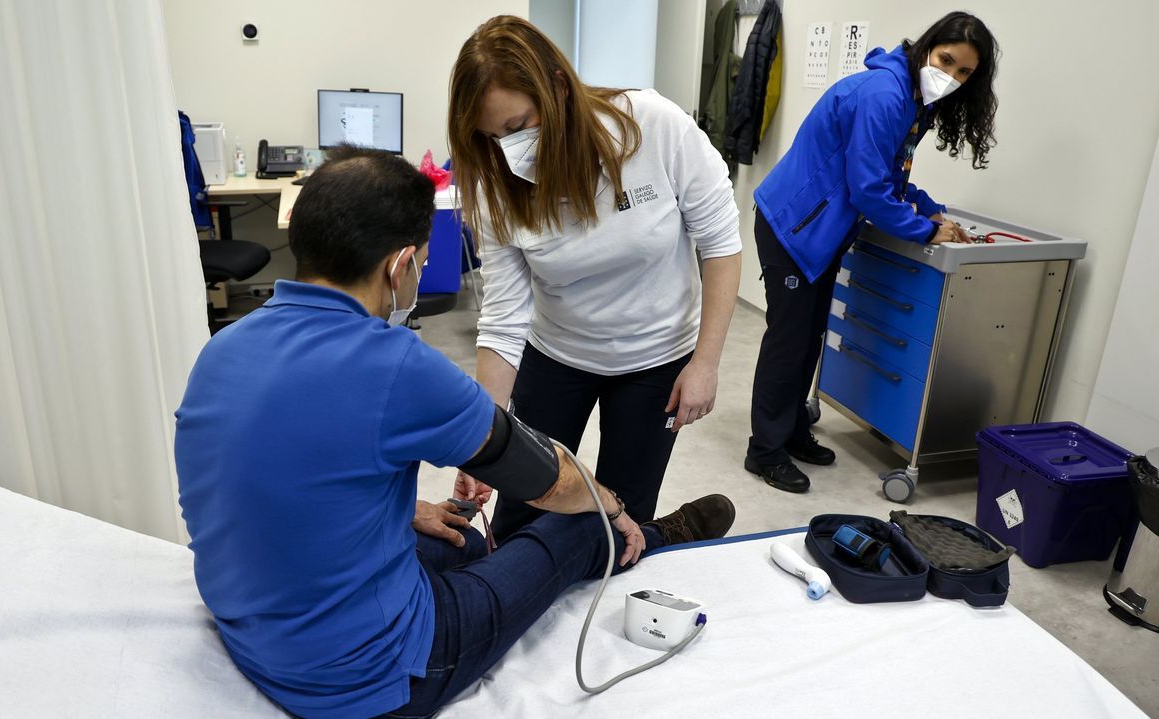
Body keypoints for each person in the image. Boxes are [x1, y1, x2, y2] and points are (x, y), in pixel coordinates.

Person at [173, 146, 736, 719]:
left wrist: (406, 511)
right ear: (401, 266)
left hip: (255, 639)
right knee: (579, 521)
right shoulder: (396, 366)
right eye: (419, 262)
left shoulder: (224, 349)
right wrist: (610, 504)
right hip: (374, 681)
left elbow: (260, 480)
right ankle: (650, 536)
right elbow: (549, 480)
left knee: (463, 539)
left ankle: (544, 546)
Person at [447, 15, 743, 541]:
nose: (506, 149)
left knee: (622, 516)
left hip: (656, 358)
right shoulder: (496, 186)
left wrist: (706, 364)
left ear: (558, 87)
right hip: (557, 353)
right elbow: (502, 321)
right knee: (521, 507)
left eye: (516, 128)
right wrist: (481, 438)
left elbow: (721, 246)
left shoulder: (651, 126)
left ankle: (657, 537)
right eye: (490, 137)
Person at [745, 12, 999, 493]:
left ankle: (793, 430)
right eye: (946, 60)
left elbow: (891, 174)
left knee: (809, 336)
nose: (952, 76)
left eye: (965, 72)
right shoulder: (885, 95)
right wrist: (924, 231)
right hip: (794, 228)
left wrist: (932, 211)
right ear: (928, 48)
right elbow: (867, 191)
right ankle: (765, 451)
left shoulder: (912, 100)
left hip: (822, 229)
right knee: (788, 342)